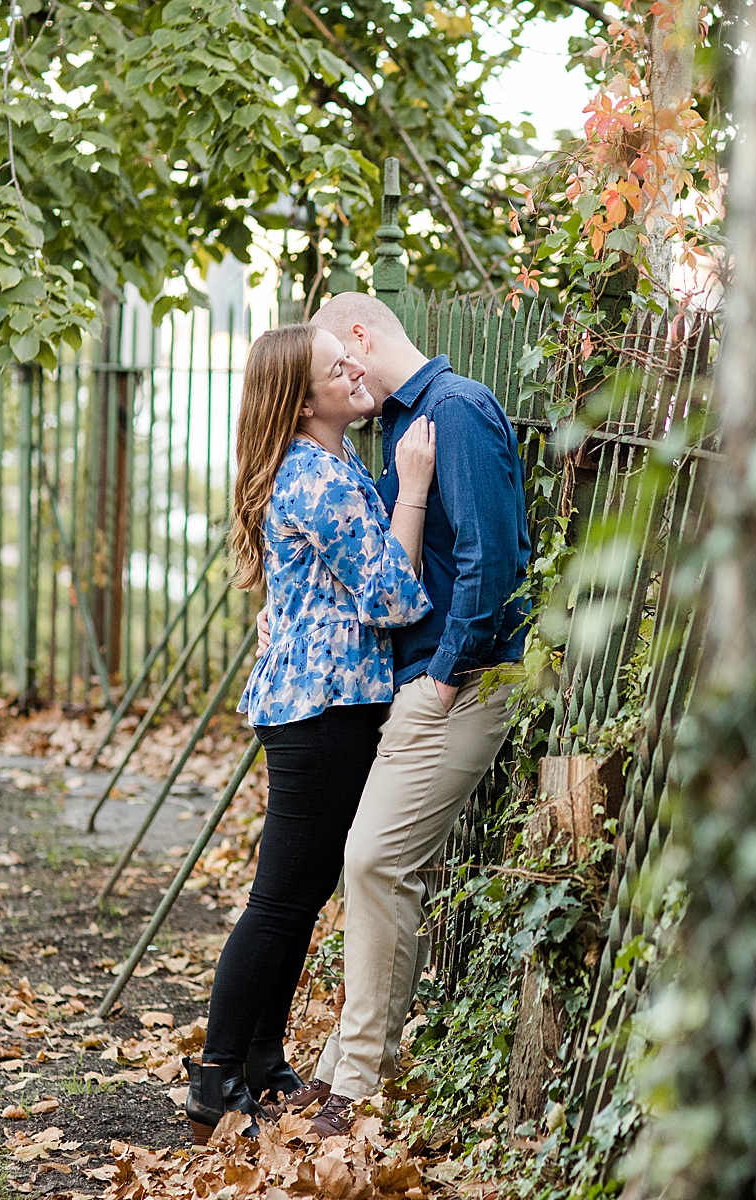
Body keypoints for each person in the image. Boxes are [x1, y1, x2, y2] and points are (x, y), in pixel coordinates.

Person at [254, 292, 531, 1136]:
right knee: (374, 867)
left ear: (362, 336)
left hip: (463, 682)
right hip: (414, 683)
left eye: (340, 353)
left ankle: (357, 1082)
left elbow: (498, 557)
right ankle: (347, 1067)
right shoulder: (397, 432)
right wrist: (279, 606)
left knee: (373, 861)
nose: (339, 371)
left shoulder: (458, 411)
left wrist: (443, 680)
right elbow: (367, 564)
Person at [183, 323, 438, 1144]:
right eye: (339, 366)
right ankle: (217, 1076)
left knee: (296, 899)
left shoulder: (322, 466)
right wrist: (415, 490)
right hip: (322, 713)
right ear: (303, 401)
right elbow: (393, 599)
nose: (357, 368)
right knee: (280, 901)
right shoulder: (320, 479)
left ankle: (259, 1059)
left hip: (316, 706)